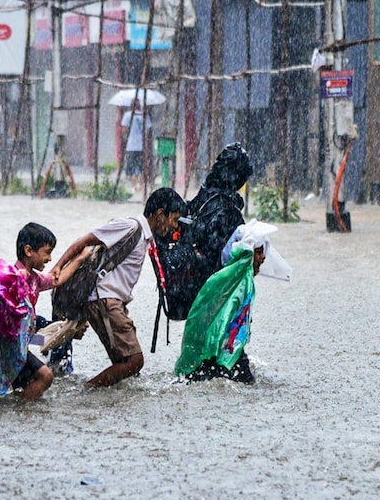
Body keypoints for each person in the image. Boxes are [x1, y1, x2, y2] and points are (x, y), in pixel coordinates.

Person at [51, 187, 185, 387]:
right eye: (173, 219)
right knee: (134, 361)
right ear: (159, 214)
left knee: (126, 370)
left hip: (112, 302)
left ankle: (97, 398)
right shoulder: (129, 226)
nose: (174, 226)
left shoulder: (146, 237)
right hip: (104, 299)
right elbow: (86, 240)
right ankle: (86, 392)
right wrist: (57, 267)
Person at [0, 223, 89, 402]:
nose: (50, 258)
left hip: (20, 343)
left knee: (24, 383)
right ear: (29, 250)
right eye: (47, 252)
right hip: (8, 347)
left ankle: (15, 410)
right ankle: (19, 411)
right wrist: (15, 278)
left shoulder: (35, 279)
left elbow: (55, 280)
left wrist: (80, 259)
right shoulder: (11, 276)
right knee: (45, 376)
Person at [174, 220, 291, 384]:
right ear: (247, 254)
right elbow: (224, 321)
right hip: (219, 354)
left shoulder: (231, 278)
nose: (263, 257)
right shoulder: (236, 283)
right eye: (258, 252)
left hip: (214, 352)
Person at [152, 142, 254, 321]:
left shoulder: (203, 196)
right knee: (222, 344)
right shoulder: (227, 210)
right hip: (215, 295)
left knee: (199, 343)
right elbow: (231, 260)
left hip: (193, 292)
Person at [121, 98, 152, 191]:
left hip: (131, 146)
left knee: (131, 169)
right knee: (142, 168)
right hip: (141, 146)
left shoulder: (127, 115)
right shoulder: (144, 115)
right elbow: (148, 129)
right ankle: (141, 187)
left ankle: (134, 187)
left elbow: (124, 130)